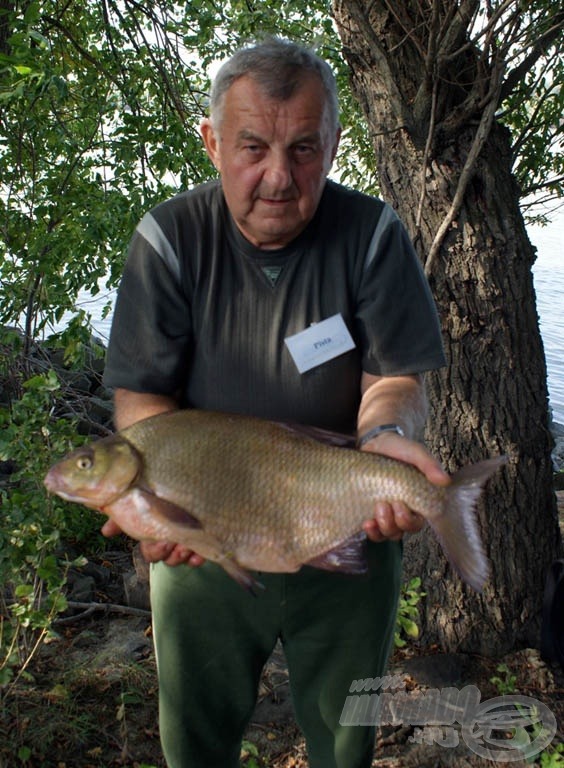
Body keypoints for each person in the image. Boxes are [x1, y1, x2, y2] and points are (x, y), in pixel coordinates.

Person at [102, 37, 447, 768]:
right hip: (205, 541)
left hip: (345, 528)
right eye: (252, 148)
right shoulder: (167, 240)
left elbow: (392, 376)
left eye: (303, 150)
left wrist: (385, 434)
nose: (279, 178)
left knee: (346, 742)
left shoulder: (374, 235)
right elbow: (140, 398)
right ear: (211, 142)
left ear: (334, 142)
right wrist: (155, 502)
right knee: (194, 743)